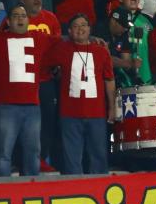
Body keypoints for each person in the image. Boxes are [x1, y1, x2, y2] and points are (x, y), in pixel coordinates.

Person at [0, 4, 61, 176]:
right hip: (4, 107)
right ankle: (2, 194)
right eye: (16, 16)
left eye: (23, 15)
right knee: (3, 154)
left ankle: (30, 193)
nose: (20, 19)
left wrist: (92, 39)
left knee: (32, 154)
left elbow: (66, 41)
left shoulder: (39, 38)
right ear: (8, 21)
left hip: (32, 107)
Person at [43, 14, 115, 175]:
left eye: (84, 25)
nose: (80, 29)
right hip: (70, 114)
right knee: (71, 158)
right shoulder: (62, 49)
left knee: (99, 156)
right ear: (69, 31)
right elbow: (44, 65)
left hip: (96, 113)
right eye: (76, 26)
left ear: (90, 29)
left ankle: (99, 189)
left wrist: (112, 107)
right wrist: (55, 74)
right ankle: (75, 191)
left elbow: (109, 80)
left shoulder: (101, 52)